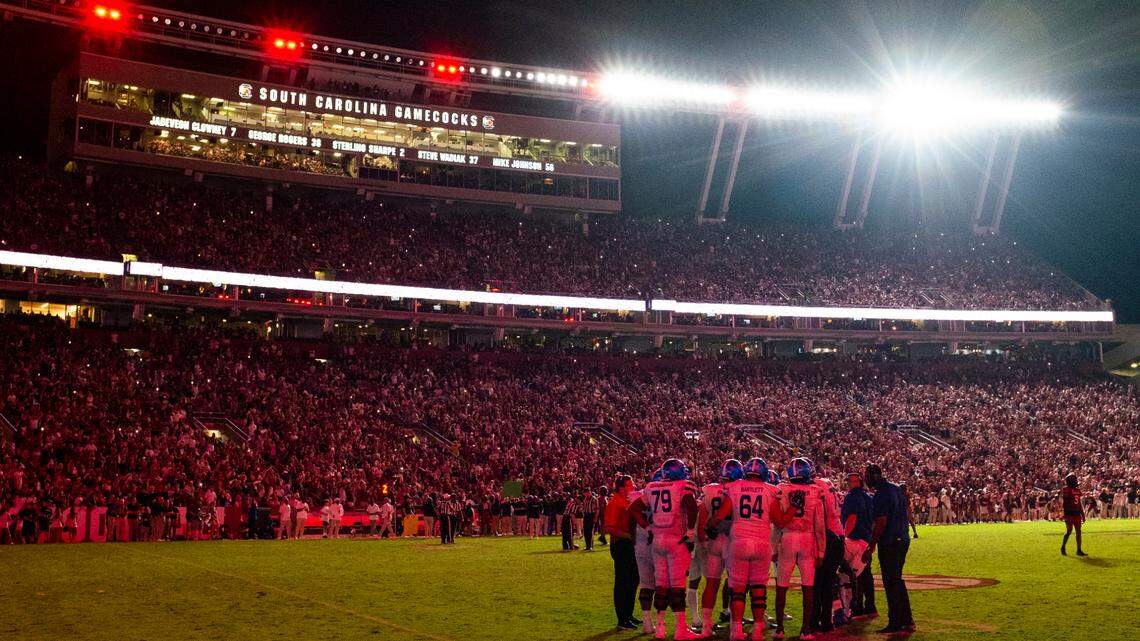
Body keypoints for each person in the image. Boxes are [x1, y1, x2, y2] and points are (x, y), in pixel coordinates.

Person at [708, 457, 790, 641]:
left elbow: (720, 515)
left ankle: (736, 631)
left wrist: (709, 526)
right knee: (758, 589)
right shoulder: (771, 490)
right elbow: (780, 521)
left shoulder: (735, 487)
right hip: (761, 543)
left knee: (738, 589)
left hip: (739, 542)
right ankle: (758, 631)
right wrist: (793, 509)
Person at [631, 458, 699, 640]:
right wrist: (691, 531)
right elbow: (691, 507)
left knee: (661, 586)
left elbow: (634, 508)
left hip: (658, 540)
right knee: (677, 586)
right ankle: (680, 629)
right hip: (676, 539)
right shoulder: (683, 486)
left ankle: (660, 627)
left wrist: (648, 527)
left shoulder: (652, 486)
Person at [774, 457, 826, 640]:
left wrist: (774, 547)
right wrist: (821, 551)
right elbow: (819, 526)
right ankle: (805, 629)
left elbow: (778, 523)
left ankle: (779, 628)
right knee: (808, 587)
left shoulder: (782, 489)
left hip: (787, 538)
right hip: (807, 539)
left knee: (781, 586)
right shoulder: (814, 491)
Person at [867, 463, 915, 634]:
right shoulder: (896, 488)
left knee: (891, 581)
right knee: (897, 579)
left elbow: (881, 522)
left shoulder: (881, 494)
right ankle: (907, 619)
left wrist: (871, 544)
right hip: (903, 538)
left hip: (890, 541)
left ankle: (895, 621)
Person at [604, 474, 641, 631]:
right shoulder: (614, 503)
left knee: (633, 579)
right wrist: (629, 536)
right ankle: (622, 618)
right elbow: (609, 528)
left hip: (629, 544)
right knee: (623, 581)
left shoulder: (627, 501)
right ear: (622, 487)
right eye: (630, 484)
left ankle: (628, 614)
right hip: (621, 545)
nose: (633, 486)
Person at [840, 472, 876, 620]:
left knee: (852, 576)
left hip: (854, 541)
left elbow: (852, 518)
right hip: (866, 539)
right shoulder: (868, 497)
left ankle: (857, 607)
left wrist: (843, 537)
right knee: (867, 575)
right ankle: (870, 607)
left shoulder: (852, 497)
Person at [1061, 473, 1088, 556]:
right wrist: (1064, 514)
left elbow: (1079, 503)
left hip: (1076, 513)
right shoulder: (1066, 489)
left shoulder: (1077, 490)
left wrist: (1082, 515)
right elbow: (1065, 503)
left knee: (1078, 532)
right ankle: (1063, 547)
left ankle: (1079, 550)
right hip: (1069, 513)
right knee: (1069, 531)